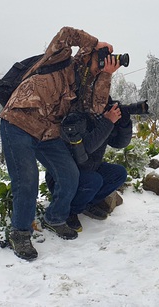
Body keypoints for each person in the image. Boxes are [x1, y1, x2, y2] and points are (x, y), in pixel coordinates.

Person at [0, 27, 116, 261]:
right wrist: (95, 44)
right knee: (27, 179)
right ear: (87, 54)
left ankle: (55, 217)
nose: (100, 64)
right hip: (18, 122)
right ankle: (20, 233)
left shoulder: (85, 85)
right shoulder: (60, 58)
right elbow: (65, 33)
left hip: (48, 132)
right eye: (99, 60)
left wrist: (106, 75)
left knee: (69, 174)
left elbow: (95, 108)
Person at [46, 98, 131, 232]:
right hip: (64, 177)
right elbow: (87, 148)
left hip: (89, 167)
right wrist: (108, 122)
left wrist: (125, 124)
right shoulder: (75, 116)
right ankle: (70, 210)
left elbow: (120, 143)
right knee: (93, 180)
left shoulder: (101, 117)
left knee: (119, 173)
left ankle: (86, 204)